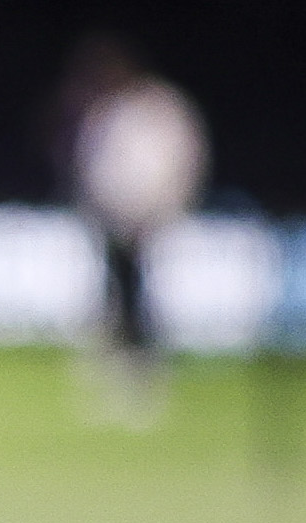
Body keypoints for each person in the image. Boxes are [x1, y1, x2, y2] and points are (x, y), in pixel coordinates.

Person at [60, 36, 204, 424]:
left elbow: (181, 160)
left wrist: (166, 206)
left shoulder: (161, 107)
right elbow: (90, 161)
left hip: (153, 219)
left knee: (146, 296)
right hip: (112, 217)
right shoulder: (109, 109)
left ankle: (146, 376)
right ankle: (114, 369)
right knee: (115, 294)